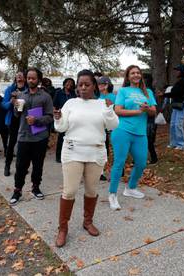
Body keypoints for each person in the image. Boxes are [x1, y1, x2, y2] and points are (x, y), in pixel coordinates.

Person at [53, 69, 119, 247]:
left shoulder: (102, 104)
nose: (82, 88)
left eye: (87, 84)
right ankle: (63, 228)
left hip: (95, 152)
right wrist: (58, 119)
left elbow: (113, 125)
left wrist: (108, 110)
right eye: (80, 84)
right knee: (70, 191)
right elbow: (61, 128)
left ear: (94, 86)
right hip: (73, 151)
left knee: (91, 190)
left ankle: (87, 221)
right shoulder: (70, 104)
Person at [108, 65, 157, 210]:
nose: (136, 75)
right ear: (128, 77)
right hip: (122, 131)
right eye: (132, 73)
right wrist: (138, 111)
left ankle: (130, 188)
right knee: (119, 163)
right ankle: (112, 194)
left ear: (141, 75)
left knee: (141, 162)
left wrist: (147, 109)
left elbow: (153, 112)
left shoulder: (147, 92)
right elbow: (117, 110)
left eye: (138, 73)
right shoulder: (123, 91)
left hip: (140, 133)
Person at [9, 67, 54, 205]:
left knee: (38, 165)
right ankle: (17, 190)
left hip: (40, 137)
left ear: (38, 80)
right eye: (28, 78)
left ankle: (36, 187)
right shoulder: (21, 96)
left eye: (33, 78)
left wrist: (37, 121)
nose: (30, 80)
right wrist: (15, 106)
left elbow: (50, 117)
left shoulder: (45, 96)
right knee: (21, 166)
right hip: (23, 136)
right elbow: (17, 115)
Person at [3, 71, 28, 176]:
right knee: (12, 143)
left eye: (21, 76)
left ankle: (22, 167)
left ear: (25, 78)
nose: (19, 77)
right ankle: (7, 166)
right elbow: (4, 105)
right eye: (17, 76)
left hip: (25, 120)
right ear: (15, 78)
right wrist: (11, 102)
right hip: (13, 120)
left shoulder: (28, 89)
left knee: (24, 144)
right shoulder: (10, 89)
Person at [165, 64, 184, 150]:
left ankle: (181, 144)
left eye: (178, 70)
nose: (176, 72)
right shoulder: (179, 81)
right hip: (176, 104)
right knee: (172, 124)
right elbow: (175, 91)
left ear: (182, 72)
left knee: (178, 125)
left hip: (182, 105)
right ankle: (173, 143)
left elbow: (176, 93)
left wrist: (163, 95)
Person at [53, 78, 77, 163]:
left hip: (71, 118)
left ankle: (69, 155)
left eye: (71, 83)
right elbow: (54, 105)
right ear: (64, 83)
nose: (69, 84)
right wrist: (56, 116)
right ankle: (58, 156)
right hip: (62, 117)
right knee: (61, 137)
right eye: (68, 83)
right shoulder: (59, 93)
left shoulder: (73, 94)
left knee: (71, 137)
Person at [98, 76, 116, 180]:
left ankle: (118, 169)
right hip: (101, 127)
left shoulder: (113, 97)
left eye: (103, 84)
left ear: (108, 85)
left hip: (112, 126)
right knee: (102, 150)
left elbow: (116, 111)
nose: (101, 86)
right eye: (99, 84)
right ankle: (100, 172)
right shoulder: (98, 97)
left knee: (115, 148)